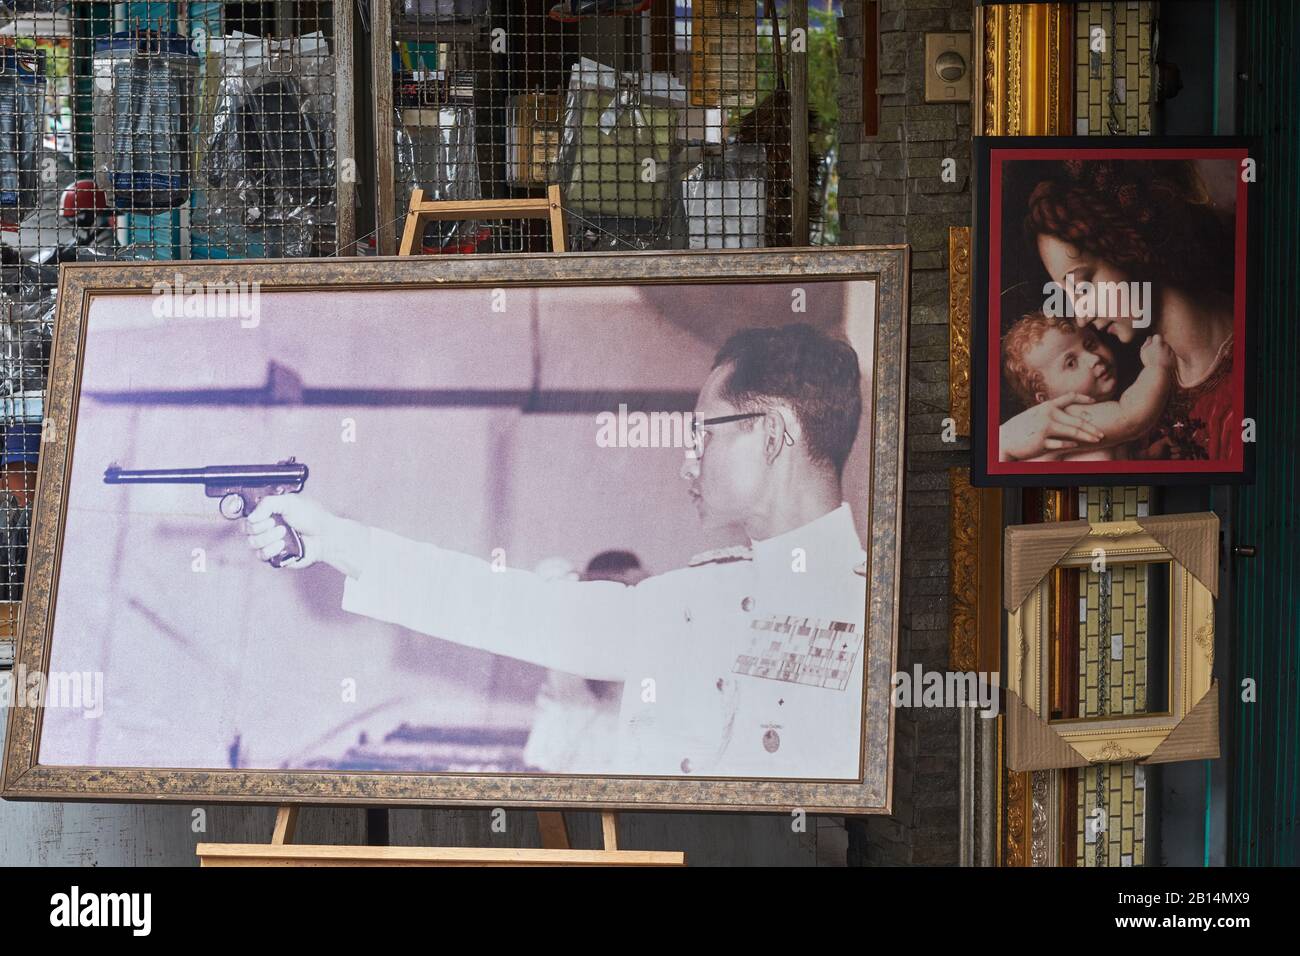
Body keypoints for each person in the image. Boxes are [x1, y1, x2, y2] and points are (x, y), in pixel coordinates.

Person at [243, 323, 870, 779]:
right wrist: (335, 539)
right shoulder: (710, 598)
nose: (688, 461)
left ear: (776, 433)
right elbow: (509, 607)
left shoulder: (874, 614)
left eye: (703, 431)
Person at [1000, 159, 1237, 461]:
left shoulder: (1241, 369)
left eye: (1083, 285)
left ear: (1127, 249)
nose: (1082, 317)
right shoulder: (1157, 375)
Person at [522, 551, 646, 773]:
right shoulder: (567, 624)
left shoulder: (638, 636)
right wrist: (598, 581)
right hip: (552, 764)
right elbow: (548, 573)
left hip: (609, 766)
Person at [1000, 311, 1176, 461]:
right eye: (1071, 363)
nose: (1094, 359)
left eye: (1090, 345)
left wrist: (1146, 456)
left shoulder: (1095, 416)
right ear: (1045, 398)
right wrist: (1157, 367)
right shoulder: (1062, 417)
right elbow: (1131, 418)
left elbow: (1110, 456)